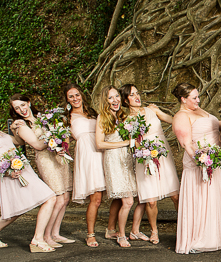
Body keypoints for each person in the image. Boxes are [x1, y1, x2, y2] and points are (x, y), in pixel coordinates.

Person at [0, 98, 57, 253]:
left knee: (15, 210)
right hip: (10, 174)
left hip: (23, 169)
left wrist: (15, 127)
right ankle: (37, 240)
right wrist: (8, 172)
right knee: (50, 198)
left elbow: (18, 142)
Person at [172, 82, 221, 253]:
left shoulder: (199, 111)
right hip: (201, 164)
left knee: (215, 199)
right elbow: (187, 144)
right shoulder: (182, 116)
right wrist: (203, 162)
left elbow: (216, 126)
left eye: (198, 96)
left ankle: (217, 236)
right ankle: (200, 237)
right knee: (202, 199)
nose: (198, 100)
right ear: (183, 99)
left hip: (216, 160)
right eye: (194, 98)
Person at [8, 93, 74, 247]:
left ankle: (55, 233)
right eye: (17, 108)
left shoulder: (43, 118)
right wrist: (54, 139)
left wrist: (61, 143)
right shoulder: (21, 125)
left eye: (23, 105)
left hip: (57, 157)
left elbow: (60, 132)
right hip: (46, 160)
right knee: (57, 197)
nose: (21, 110)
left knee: (65, 197)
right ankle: (46, 236)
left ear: (29, 103)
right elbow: (37, 145)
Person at [121, 84, 181, 245]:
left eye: (137, 93)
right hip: (145, 158)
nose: (137, 97)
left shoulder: (151, 110)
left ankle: (183, 228)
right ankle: (154, 231)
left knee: (175, 195)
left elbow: (173, 121)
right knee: (151, 200)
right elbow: (132, 142)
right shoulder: (127, 121)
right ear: (126, 100)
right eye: (132, 95)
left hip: (163, 154)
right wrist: (144, 152)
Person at [64, 83, 106, 248]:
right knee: (95, 199)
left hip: (101, 151)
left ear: (82, 95)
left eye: (77, 95)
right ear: (67, 100)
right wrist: (61, 148)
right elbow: (65, 142)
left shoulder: (92, 113)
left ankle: (111, 229)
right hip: (87, 156)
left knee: (107, 196)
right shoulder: (67, 118)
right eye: (71, 96)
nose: (75, 99)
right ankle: (90, 234)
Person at [95, 86, 137, 248]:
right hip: (113, 160)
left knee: (122, 198)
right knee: (127, 201)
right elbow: (99, 143)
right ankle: (121, 235)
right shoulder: (102, 118)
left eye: (117, 96)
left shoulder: (123, 116)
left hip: (126, 160)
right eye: (110, 98)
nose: (115, 100)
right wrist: (126, 143)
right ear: (105, 101)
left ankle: (110, 230)